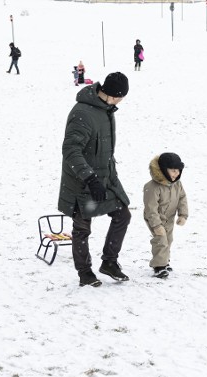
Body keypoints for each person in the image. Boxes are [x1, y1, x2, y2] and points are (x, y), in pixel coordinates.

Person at [58, 72, 132, 288]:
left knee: (123, 215)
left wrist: (109, 178)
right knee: (82, 228)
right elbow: (71, 150)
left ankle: (109, 262)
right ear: (110, 94)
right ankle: (85, 273)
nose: (120, 101)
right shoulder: (82, 113)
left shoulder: (107, 111)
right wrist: (90, 178)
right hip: (82, 181)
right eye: (120, 97)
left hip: (106, 178)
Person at [143, 152, 189, 279]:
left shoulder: (177, 184)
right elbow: (150, 208)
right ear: (163, 170)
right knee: (160, 240)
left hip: (169, 217)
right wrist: (156, 225)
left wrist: (183, 214)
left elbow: (182, 198)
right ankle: (159, 266)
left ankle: (165, 261)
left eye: (178, 171)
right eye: (173, 171)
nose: (176, 174)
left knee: (168, 239)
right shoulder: (152, 187)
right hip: (154, 217)